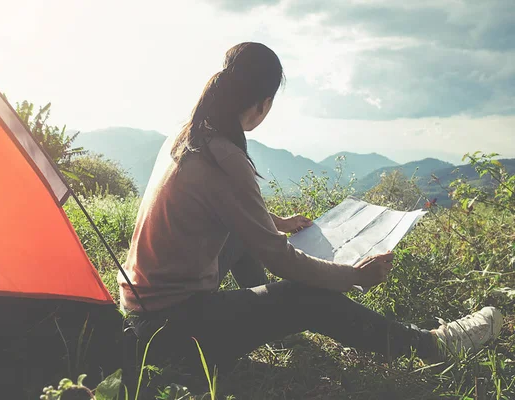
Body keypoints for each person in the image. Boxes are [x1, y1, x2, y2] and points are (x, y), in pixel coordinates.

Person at [117, 42, 503, 375]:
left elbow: (221, 207)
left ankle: (272, 320)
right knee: (307, 296)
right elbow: (282, 263)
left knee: (246, 240)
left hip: (146, 314)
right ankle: (434, 346)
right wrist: (354, 277)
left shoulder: (188, 136)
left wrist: (278, 222)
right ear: (262, 104)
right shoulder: (225, 158)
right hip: (173, 332)